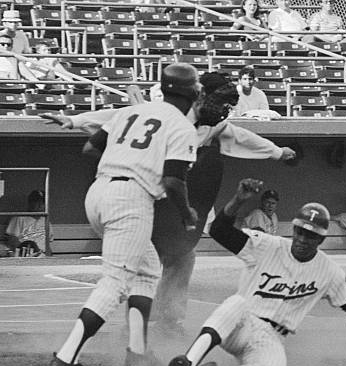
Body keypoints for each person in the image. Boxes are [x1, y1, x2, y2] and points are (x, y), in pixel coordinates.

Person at [42, 72, 296, 336]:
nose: (223, 110)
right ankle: (127, 335)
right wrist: (74, 120)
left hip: (157, 195)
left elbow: (240, 136)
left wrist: (277, 151)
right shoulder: (168, 116)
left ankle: (163, 324)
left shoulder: (212, 124)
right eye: (219, 101)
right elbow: (116, 117)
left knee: (182, 255)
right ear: (200, 96)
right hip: (141, 197)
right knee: (130, 273)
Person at [49, 63, 201, 366]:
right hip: (131, 198)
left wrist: (124, 159)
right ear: (193, 94)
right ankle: (67, 356)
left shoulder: (132, 112)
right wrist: (187, 213)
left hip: (99, 191)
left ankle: (137, 351)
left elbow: (90, 148)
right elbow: (174, 182)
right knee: (116, 282)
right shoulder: (183, 126)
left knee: (146, 269)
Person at [166, 178, 346, 366]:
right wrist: (238, 200)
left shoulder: (330, 271)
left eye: (310, 235)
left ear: (320, 240)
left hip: (271, 338)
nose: (301, 238)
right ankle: (188, 363)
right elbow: (219, 231)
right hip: (240, 323)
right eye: (299, 231)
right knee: (236, 304)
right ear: (294, 229)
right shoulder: (267, 245)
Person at [5, 190, 53, 256]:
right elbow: (12, 240)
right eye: (36, 202)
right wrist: (27, 251)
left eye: (42, 202)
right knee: (31, 243)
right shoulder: (19, 218)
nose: (39, 205)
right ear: (30, 203)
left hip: (43, 255)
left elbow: (48, 243)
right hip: (26, 254)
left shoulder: (46, 221)